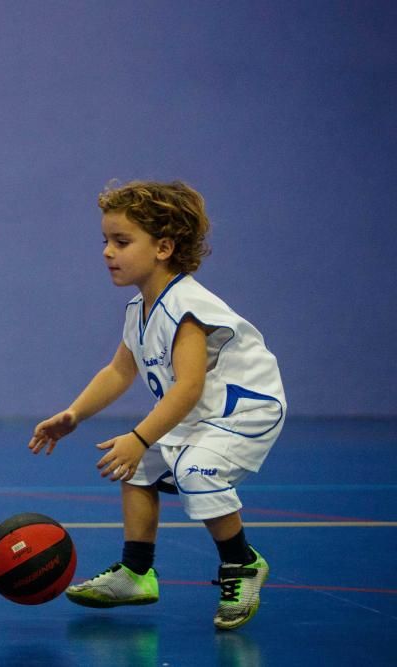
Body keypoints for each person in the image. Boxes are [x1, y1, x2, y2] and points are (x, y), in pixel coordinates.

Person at [28, 180, 285, 630]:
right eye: (105, 240)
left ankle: (242, 564)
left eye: (122, 242)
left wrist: (140, 434)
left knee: (195, 470)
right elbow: (118, 372)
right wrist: (74, 414)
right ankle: (137, 572)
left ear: (164, 247)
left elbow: (186, 388)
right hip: (206, 412)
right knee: (137, 462)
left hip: (244, 412)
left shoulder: (185, 307)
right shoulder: (140, 307)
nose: (108, 251)